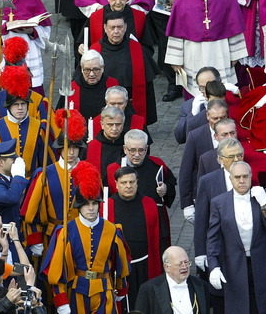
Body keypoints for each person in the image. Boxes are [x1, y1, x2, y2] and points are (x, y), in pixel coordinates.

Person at [41, 161, 130, 314]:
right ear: (79, 206)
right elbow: (57, 270)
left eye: (94, 203)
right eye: (86, 204)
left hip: (104, 291)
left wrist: (121, 289)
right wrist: (61, 300)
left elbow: (120, 263)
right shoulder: (67, 231)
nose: (90, 208)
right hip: (76, 292)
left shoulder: (112, 230)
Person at [207, 161, 266, 314]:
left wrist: (265, 204)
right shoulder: (219, 203)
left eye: (245, 177)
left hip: (260, 263)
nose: (242, 181)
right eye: (237, 177)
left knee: (260, 307)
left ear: (250, 177)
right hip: (234, 265)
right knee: (237, 307)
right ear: (231, 179)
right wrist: (213, 266)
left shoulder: (261, 196)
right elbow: (213, 238)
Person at [165, 0, 247, 90]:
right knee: (195, 91)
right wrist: (176, 60)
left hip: (220, 50)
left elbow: (234, 27)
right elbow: (177, 31)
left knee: (221, 89)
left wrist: (235, 54)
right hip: (192, 51)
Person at [21, 114, 88, 258]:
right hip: (50, 237)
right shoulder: (45, 174)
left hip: (81, 236)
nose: (71, 152)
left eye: (75, 148)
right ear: (60, 148)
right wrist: (35, 239)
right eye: (67, 147)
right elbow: (31, 212)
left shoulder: (89, 172)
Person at [105, 129, 176, 252]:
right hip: (125, 221)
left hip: (153, 224)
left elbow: (171, 183)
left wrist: (165, 189)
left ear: (147, 148)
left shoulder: (157, 165)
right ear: (125, 149)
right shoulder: (113, 169)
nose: (137, 155)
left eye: (141, 150)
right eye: (132, 150)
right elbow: (107, 198)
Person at [193, 137, 242, 313]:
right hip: (219, 248)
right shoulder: (208, 181)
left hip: (243, 248)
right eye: (231, 157)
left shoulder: (249, 175)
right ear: (221, 159)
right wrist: (200, 251)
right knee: (220, 296)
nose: (237, 160)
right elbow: (201, 218)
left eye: (239, 156)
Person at [105, 166, 162, 309]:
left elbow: (158, 237)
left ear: (137, 183)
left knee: (144, 304)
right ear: (116, 184)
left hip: (145, 264)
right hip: (120, 268)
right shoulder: (107, 206)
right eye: (124, 183)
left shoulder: (149, 204)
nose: (128, 186)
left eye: (132, 182)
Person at [91, 11, 158, 124]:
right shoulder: (95, 51)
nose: (116, 31)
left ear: (126, 27)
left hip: (130, 108)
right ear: (105, 28)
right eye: (112, 28)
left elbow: (148, 87)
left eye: (120, 27)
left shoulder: (137, 49)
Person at [179, 98, 229, 221]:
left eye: (222, 118)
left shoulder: (233, 133)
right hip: (205, 196)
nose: (218, 122)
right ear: (207, 116)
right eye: (214, 118)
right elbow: (186, 170)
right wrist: (187, 204)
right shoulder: (196, 136)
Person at [135, 246, 209, 314]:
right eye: (179, 264)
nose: (185, 267)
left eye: (186, 262)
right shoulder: (148, 290)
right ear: (167, 267)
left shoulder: (201, 285)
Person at [82, 0, 149, 48]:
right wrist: (81, 47)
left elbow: (147, 47)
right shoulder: (95, 17)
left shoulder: (139, 17)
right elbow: (82, 43)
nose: (118, 2)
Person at [0, 139, 29, 227]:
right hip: (2, 234)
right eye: (13, 160)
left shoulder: (6, 178)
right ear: (1, 163)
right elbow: (10, 198)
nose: (15, 163)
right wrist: (19, 176)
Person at [174, 67, 219, 144]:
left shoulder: (229, 100)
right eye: (202, 88)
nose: (206, 92)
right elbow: (180, 137)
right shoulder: (188, 106)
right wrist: (193, 114)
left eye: (210, 86)